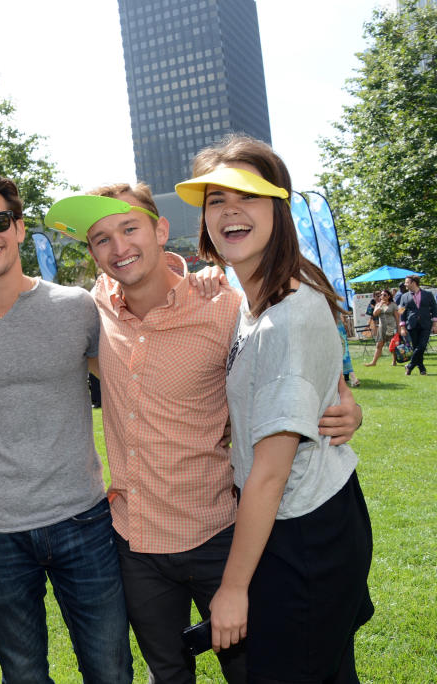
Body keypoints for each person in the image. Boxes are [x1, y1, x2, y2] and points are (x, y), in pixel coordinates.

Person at [43, 183, 362, 684]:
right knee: (167, 672)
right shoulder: (92, 309)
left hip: (220, 531)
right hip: (136, 540)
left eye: (130, 228)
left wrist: (347, 403)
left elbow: (304, 363)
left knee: (258, 671)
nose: (119, 247)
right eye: (101, 238)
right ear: (92, 252)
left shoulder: (224, 305)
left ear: (160, 230)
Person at [175, 134, 374, 682]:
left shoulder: (286, 313)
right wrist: (344, 399)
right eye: (216, 199)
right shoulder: (257, 295)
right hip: (306, 520)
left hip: (302, 530)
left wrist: (233, 590)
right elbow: (321, 373)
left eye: (248, 195)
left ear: (278, 208)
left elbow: (268, 475)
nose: (230, 210)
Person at [0, 170, 133, 683]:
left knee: (110, 670)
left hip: (83, 518)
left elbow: (145, 369)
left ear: (20, 229)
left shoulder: (77, 308)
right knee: (23, 676)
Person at [398, 275, 437, 375]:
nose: (405, 284)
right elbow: (401, 312)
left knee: (422, 346)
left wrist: (435, 324)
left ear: (413, 283)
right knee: (416, 347)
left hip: (426, 324)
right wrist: (402, 327)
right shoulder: (404, 296)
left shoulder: (428, 294)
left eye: (407, 282)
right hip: (411, 325)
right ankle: (422, 369)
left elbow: (434, 309)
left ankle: (410, 365)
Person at [365, 288, 400, 366]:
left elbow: (397, 317)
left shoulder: (393, 305)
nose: (382, 296)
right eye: (381, 295)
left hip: (391, 327)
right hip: (382, 328)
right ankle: (373, 362)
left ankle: (394, 361)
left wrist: (399, 328)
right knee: (379, 345)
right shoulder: (378, 304)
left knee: (393, 345)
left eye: (384, 295)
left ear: (389, 296)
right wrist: (380, 305)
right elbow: (375, 314)